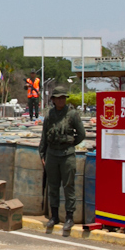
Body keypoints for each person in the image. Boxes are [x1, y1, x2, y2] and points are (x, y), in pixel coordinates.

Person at [38, 85, 86, 236]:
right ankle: (54, 216)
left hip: (67, 154)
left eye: (63, 98)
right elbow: (44, 136)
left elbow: (81, 134)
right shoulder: (50, 115)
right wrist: (42, 154)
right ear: (53, 100)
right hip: (52, 154)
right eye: (58, 98)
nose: (61, 100)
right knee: (52, 187)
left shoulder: (72, 114)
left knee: (68, 186)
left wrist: (70, 144)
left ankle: (69, 217)